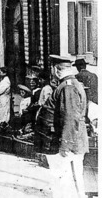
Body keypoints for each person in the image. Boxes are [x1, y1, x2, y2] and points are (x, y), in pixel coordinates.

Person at [35, 55, 89, 198]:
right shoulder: (66, 85)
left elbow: (70, 118)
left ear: (54, 69)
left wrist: (66, 145)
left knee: (66, 186)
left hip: (66, 145)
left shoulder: (68, 87)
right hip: (63, 141)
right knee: (63, 183)